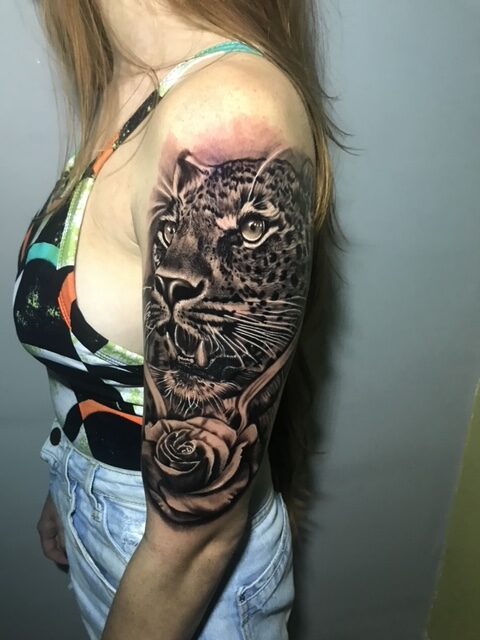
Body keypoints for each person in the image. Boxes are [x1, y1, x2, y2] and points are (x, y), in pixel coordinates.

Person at [13, 1, 342, 638]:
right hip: (120, 525)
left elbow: (198, 535)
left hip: (177, 571)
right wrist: (74, 472)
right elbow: (117, 352)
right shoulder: (135, 78)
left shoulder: (223, 111)